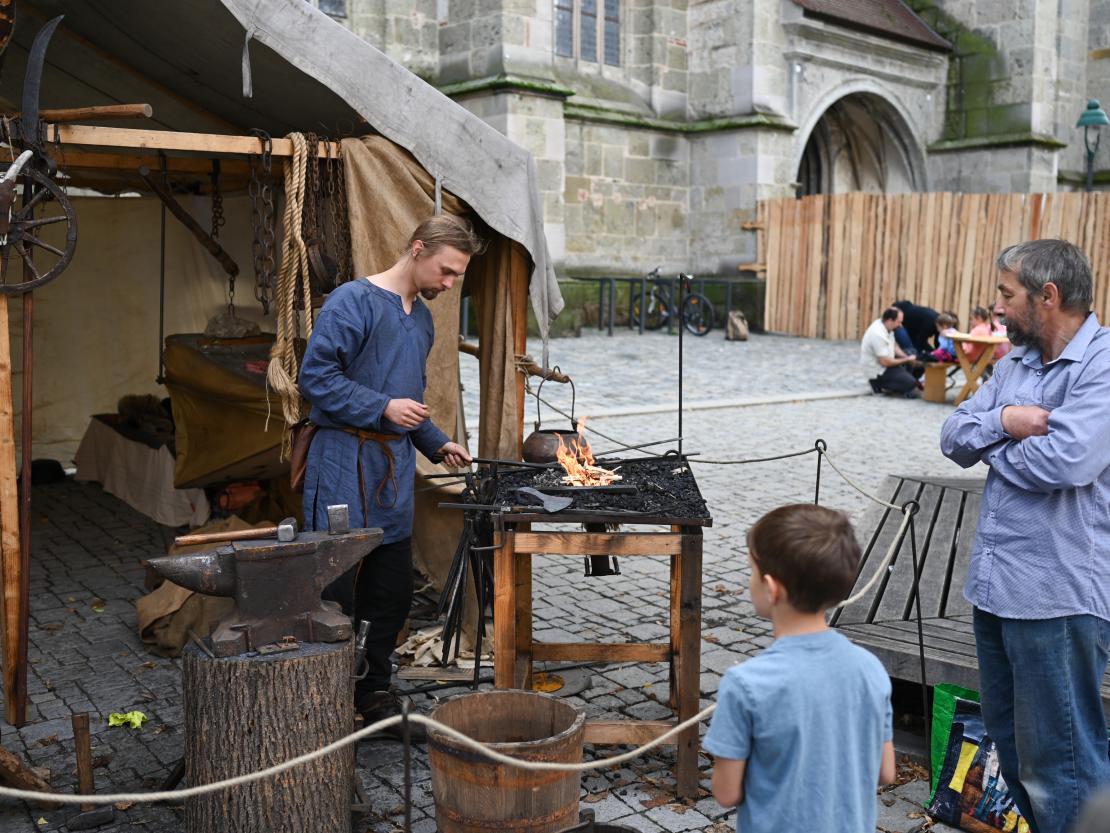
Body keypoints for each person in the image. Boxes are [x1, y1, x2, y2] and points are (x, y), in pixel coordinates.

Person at [940, 239, 1110, 833]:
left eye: (1006, 295)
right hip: (995, 590)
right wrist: (1007, 423)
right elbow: (952, 435)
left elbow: (1063, 464)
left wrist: (988, 445)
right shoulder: (1016, 362)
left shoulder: (1104, 366)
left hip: (1057, 601)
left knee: (1063, 768)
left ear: (1048, 297)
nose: (997, 307)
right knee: (1015, 758)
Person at [298, 215, 481, 737]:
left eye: (455, 277)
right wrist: (382, 408)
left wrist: (437, 441)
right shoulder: (352, 302)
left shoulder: (421, 319)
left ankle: (373, 695)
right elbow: (316, 380)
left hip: (393, 474)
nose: (449, 285)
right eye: (445, 271)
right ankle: (322, 700)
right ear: (417, 249)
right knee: (335, 591)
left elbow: (411, 404)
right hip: (341, 464)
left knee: (389, 592)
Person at [704, 504, 895, 832]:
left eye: (752, 570)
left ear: (771, 588)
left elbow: (726, 792)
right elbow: (885, 772)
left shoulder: (746, 684)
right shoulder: (870, 669)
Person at [861, 307, 921, 396]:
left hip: (886, 361)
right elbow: (885, 362)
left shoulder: (886, 325)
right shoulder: (877, 334)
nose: (901, 325)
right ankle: (877, 384)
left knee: (913, 353)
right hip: (878, 370)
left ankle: (903, 378)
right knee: (911, 383)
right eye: (899, 322)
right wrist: (907, 360)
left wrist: (906, 357)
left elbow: (894, 345)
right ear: (890, 320)